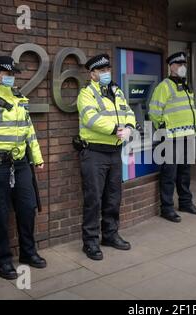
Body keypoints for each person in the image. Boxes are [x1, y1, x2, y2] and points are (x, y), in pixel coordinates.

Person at [0, 56, 46, 280]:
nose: (13, 78)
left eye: (14, 74)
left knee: (27, 208)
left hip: (21, 164)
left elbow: (29, 130)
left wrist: (37, 157)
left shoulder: (20, 98)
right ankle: (2, 261)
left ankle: (28, 253)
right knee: (0, 214)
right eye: (9, 74)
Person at [76, 54, 136, 261]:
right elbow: (91, 119)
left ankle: (110, 235)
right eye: (101, 71)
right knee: (93, 199)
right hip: (94, 153)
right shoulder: (86, 93)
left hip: (114, 152)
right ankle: (90, 242)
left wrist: (129, 127)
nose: (105, 74)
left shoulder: (116, 91)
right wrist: (116, 130)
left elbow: (128, 111)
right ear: (92, 73)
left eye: (107, 70)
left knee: (113, 197)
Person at [149, 52, 196, 223]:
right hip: (171, 138)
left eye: (184, 64)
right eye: (178, 64)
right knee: (169, 174)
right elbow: (154, 112)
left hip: (186, 135)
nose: (182, 67)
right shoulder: (164, 86)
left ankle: (186, 203)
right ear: (171, 66)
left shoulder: (186, 85)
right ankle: (167, 208)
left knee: (184, 173)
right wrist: (163, 128)